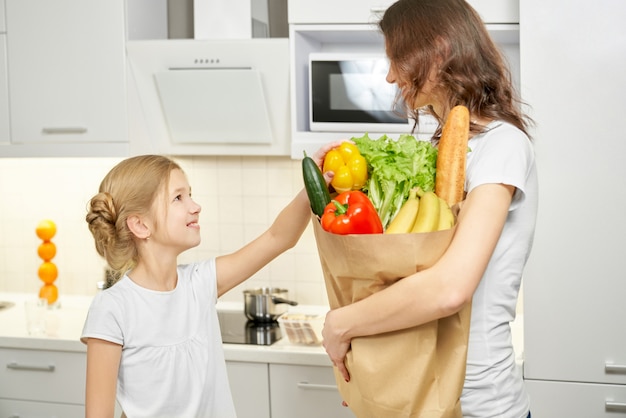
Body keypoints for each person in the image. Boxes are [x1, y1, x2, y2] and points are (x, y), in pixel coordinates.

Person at [321, 1, 537, 417]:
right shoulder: (439, 151)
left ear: (438, 50)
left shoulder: (502, 146)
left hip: (477, 402)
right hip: (421, 391)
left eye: (396, 58)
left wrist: (342, 324)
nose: (389, 75)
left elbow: (449, 289)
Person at [80, 147, 335, 418]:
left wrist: (313, 183)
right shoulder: (112, 308)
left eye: (190, 194)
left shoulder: (199, 283)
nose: (195, 206)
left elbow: (278, 237)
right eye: (178, 197)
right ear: (141, 225)